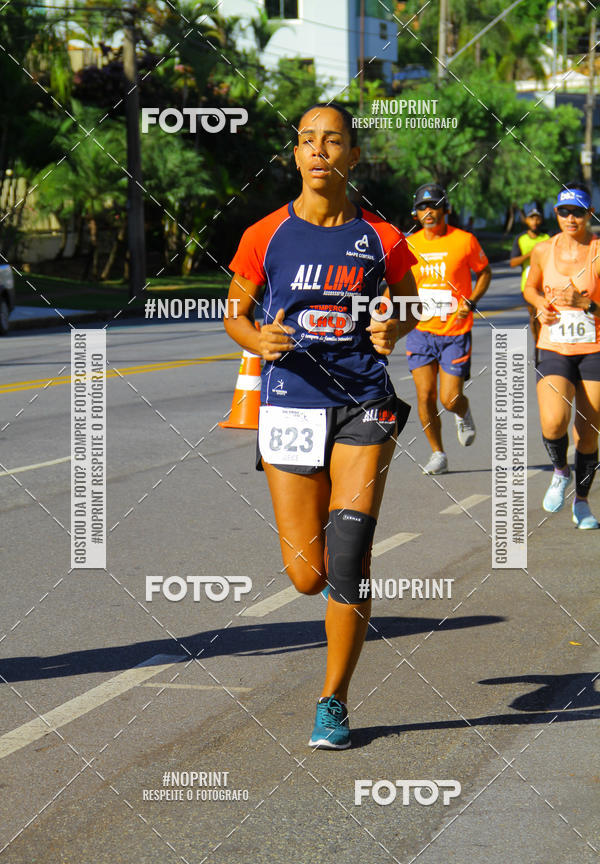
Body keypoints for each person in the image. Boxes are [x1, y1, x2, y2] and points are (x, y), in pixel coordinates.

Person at [224, 102, 419, 748]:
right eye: (306, 140)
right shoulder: (264, 235)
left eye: (331, 141)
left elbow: (412, 301)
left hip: (364, 402)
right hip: (290, 404)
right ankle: (331, 610)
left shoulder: (382, 238)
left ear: (352, 156)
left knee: (348, 554)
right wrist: (258, 337)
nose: (317, 150)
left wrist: (398, 323)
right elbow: (234, 313)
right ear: (295, 154)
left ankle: (332, 700)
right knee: (306, 574)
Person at [524, 181, 600, 529]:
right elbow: (531, 285)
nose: (572, 218)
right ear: (557, 213)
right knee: (553, 421)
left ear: (589, 213)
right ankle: (559, 471)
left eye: (579, 212)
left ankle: (582, 503)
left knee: (589, 432)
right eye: (565, 211)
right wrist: (540, 304)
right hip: (553, 345)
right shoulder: (543, 250)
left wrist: (590, 305)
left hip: (594, 349)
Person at [405, 183, 492, 474]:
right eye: (422, 207)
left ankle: (462, 410)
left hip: (454, 331)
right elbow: (399, 284)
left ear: (446, 209)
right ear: (415, 214)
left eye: (433, 206)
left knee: (449, 398)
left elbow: (484, 272)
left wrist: (472, 299)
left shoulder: (464, 240)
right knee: (424, 395)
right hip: (419, 332)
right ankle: (437, 453)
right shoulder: (409, 244)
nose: (428, 212)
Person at [509, 200, 550, 364]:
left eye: (537, 218)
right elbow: (513, 262)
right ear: (526, 220)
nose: (535, 222)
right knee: (533, 317)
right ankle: (537, 344)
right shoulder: (521, 239)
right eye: (531, 218)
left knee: (544, 316)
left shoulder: (547, 237)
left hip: (545, 284)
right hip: (528, 284)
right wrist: (531, 254)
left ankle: (546, 346)